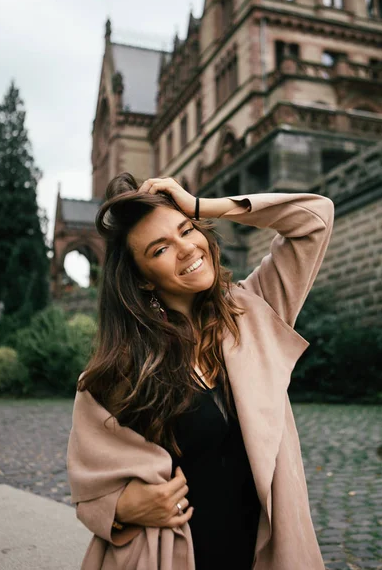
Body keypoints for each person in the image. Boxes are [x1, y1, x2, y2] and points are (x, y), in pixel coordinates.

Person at [67, 173, 334, 570]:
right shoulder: (120, 370)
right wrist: (122, 507)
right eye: (160, 249)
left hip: (263, 553)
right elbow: (90, 486)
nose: (186, 248)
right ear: (141, 280)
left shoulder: (257, 308)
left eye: (187, 230)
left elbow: (316, 216)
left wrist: (201, 205)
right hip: (171, 556)